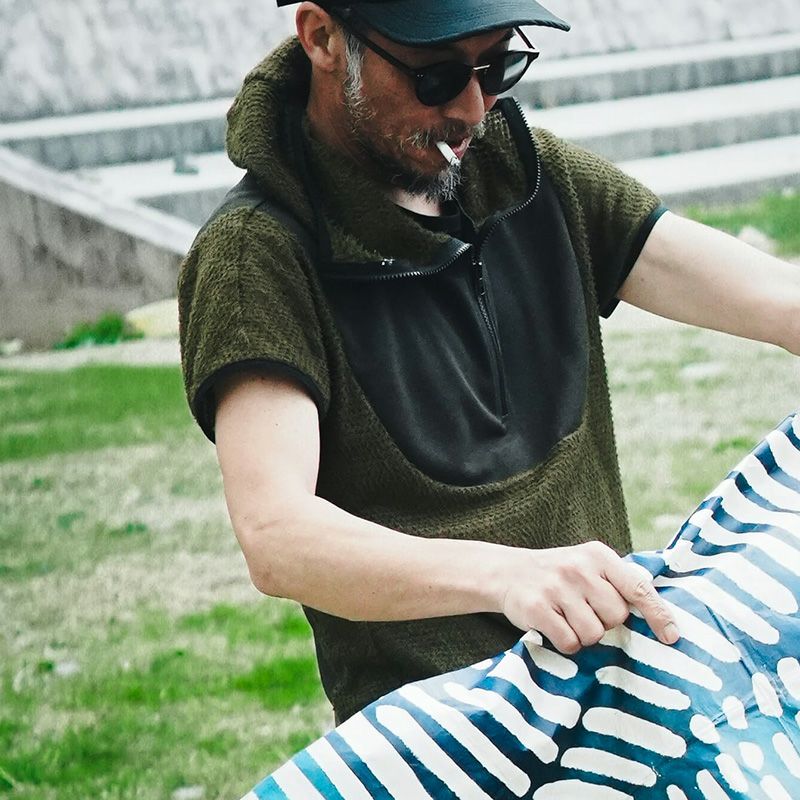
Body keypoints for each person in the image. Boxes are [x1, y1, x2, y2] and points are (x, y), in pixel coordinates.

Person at [178, 0, 800, 725]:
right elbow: (279, 537)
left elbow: (776, 299)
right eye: (437, 77)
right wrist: (510, 576)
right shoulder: (254, 256)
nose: (474, 107)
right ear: (322, 38)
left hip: (624, 707)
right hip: (447, 741)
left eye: (499, 64)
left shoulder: (532, 173)